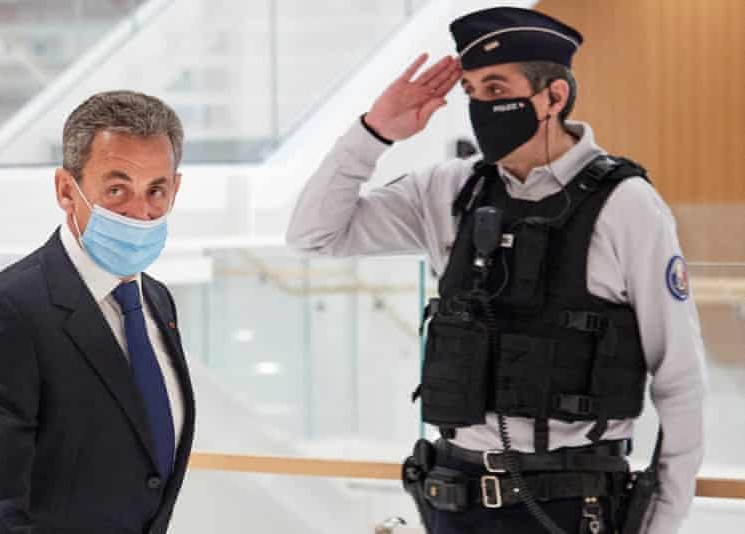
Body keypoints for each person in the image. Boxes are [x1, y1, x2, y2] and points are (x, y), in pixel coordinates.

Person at [286, 7, 704, 534]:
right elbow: (313, 235)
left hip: (570, 506)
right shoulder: (448, 188)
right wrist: (374, 133)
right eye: (471, 91)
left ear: (554, 97)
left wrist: (661, 520)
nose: (481, 106)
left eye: (496, 88)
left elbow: (679, 373)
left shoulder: (627, 205)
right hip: (453, 498)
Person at [0, 90, 195, 534]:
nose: (140, 212)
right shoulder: (2, 312)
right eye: (116, 189)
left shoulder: (156, 301)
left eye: (156, 190)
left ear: (175, 189)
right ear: (65, 189)